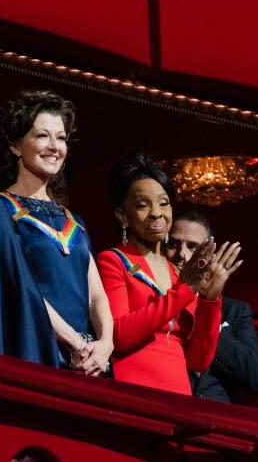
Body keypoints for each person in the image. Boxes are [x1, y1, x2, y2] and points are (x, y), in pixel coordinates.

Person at [0, 90, 112, 374]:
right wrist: (75, 343)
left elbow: (96, 296)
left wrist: (105, 343)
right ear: (15, 145)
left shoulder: (75, 221)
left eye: (60, 138)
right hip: (38, 353)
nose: (54, 147)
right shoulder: (0, 209)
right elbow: (21, 289)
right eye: (42, 136)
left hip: (88, 364)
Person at [96, 153, 241, 393]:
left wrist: (209, 300)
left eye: (164, 203)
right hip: (133, 389)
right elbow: (119, 335)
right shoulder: (113, 261)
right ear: (122, 216)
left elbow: (198, 360)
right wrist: (184, 292)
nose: (156, 213)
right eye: (143, 205)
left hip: (178, 395)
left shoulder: (178, 273)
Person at [164, 207, 258, 402]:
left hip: (215, 416)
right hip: (167, 403)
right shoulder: (158, 300)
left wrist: (207, 310)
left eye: (193, 247)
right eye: (173, 244)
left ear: (210, 255)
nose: (182, 254)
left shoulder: (236, 311)